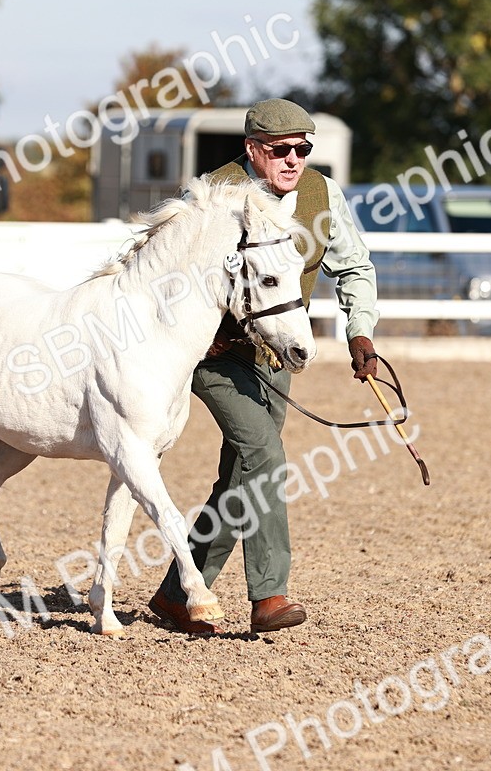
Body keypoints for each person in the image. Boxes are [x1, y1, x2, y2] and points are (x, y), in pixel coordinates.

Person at [149, 98, 380, 634]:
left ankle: (178, 594)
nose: (294, 159)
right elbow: (163, 271)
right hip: (215, 356)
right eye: (281, 150)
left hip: (277, 356)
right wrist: (202, 332)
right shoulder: (214, 195)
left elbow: (354, 267)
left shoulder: (323, 195)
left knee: (241, 471)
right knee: (265, 454)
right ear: (253, 149)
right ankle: (270, 595)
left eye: (302, 149)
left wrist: (360, 333)